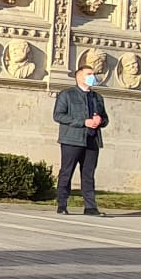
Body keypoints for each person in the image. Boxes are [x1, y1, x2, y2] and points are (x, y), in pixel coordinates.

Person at [53, 65, 110, 216]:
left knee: (88, 174)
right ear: (79, 77)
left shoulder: (97, 97)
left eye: (93, 74)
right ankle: (62, 204)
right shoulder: (67, 95)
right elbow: (58, 116)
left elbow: (105, 119)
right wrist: (83, 122)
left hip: (92, 140)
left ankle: (90, 207)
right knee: (67, 172)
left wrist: (100, 121)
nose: (92, 76)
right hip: (72, 139)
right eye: (89, 74)